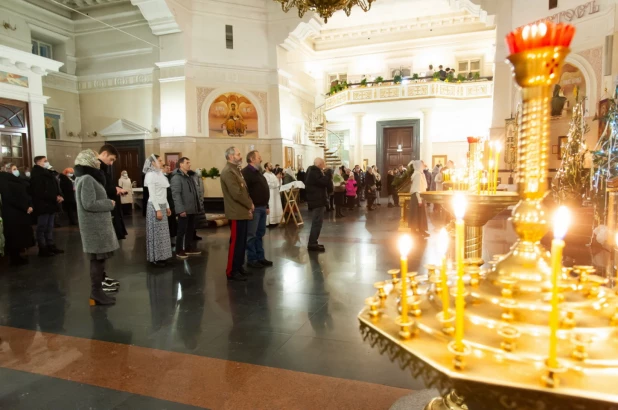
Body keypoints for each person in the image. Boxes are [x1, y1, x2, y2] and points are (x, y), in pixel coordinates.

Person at [74, 149, 119, 306]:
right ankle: (96, 293)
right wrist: (109, 203)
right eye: (95, 159)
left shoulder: (87, 178)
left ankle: (98, 292)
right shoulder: (86, 179)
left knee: (99, 261)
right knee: (97, 261)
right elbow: (89, 204)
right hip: (94, 227)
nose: (98, 162)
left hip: (96, 225)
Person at [221, 146, 253, 281]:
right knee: (235, 243)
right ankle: (231, 271)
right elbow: (236, 194)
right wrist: (249, 204)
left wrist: (248, 205)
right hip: (235, 212)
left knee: (241, 242)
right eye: (238, 154)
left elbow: (244, 191)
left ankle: (239, 267)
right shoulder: (228, 172)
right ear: (231, 156)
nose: (241, 156)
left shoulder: (236, 170)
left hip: (242, 211)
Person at [242, 150, 273, 269]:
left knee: (260, 233)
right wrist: (250, 205)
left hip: (262, 207)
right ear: (252, 159)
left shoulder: (258, 172)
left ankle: (260, 257)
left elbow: (263, 188)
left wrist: (267, 205)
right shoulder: (246, 173)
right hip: (254, 208)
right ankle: (252, 259)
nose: (261, 159)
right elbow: (245, 192)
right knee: (251, 235)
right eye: (259, 157)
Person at [0, 166, 35, 265]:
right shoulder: (5, 181)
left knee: (18, 235)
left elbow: (25, 194)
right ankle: (14, 257)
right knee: (14, 236)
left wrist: (29, 205)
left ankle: (17, 255)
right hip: (12, 212)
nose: (16, 171)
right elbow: (9, 197)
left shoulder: (14, 180)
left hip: (19, 211)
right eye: (13, 169)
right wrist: (25, 207)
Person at [30, 156, 64, 257]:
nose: (47, 162)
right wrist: (54, 197)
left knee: (49, 226)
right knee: (42, 227)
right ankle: (42, 247)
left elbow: (54, 186)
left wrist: (59, 195)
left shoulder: (48, 173)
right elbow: (39, 191)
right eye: (45, 161)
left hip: (51, 204)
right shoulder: (37, 174)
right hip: (43, 204)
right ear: (38, 162)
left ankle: (50, 245)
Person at [144, 154, 172, 267]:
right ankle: (155, 258)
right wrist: (158, 210)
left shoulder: (160, 175)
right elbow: (153, 194)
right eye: (159, 160)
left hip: (162, 204)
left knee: (163, 233)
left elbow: (163, 193)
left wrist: (167, 206)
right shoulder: (150, 175)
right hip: (154, 206)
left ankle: (162, 256)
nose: (162, 162)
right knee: (156, 233)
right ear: (153, 163)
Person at [171, 157, 202, 259]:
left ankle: (188, 248)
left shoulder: (189, 176)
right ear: (181, 165)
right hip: (184, 209)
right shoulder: (176, 178)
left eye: (189, 162)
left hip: (191, 208)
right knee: (181, 230)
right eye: (187, 162)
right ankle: (179, 250)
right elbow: (176, 195)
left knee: (190, 229)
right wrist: (180, 209)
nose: (190, 164)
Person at [98, 145, 127, 241]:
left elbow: (106, 184)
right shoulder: (97, 169)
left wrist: (116, 188)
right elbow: (100, 188)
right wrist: (115, 190)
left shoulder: (102, 168)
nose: (111, 163)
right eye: (111, 159)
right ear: (104, 154)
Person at [304, 158, 329, 252]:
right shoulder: (314, 172)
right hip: (317, 201)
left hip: (317, 200)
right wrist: (327, 174)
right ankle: (312, 243)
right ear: (320, 164)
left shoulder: (313, 171)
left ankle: (313, 242)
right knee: (317, 223)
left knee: (318, 222)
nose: (325, 165)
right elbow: (324, 182)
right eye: (324, 163)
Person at [409, 160, 429, 239]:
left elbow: (423, 186)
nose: (424, 166)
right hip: (417, 197)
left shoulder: (420, 173)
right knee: (416, 214)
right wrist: (419, 200)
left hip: (420, 196)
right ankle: (414, 231)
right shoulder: (417, 174)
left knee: (421, 214)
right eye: (422, 165)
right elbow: (417, 188)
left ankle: (421, 229)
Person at [264, 162, 283, 226]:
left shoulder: (272, 174)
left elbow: (278, 183)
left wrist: (279, 179)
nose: (271, 167)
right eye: (270, 166)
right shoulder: (265, 175)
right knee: (272, 206)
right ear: (266, 167)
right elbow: (268, 184)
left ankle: (276, 221)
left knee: (276, 206)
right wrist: (276, 184)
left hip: (276, 193)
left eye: (271, 166)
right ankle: (271, 222)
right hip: (271, 193)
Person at [163, 164, 178, 243]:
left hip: (171, 201)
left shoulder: (171, 176)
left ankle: (173, 236)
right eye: (167, 168)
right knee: (168, 220)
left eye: (169, 167)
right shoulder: (163, 177)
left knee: (172, 220)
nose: (168, 169)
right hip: (166, 200)